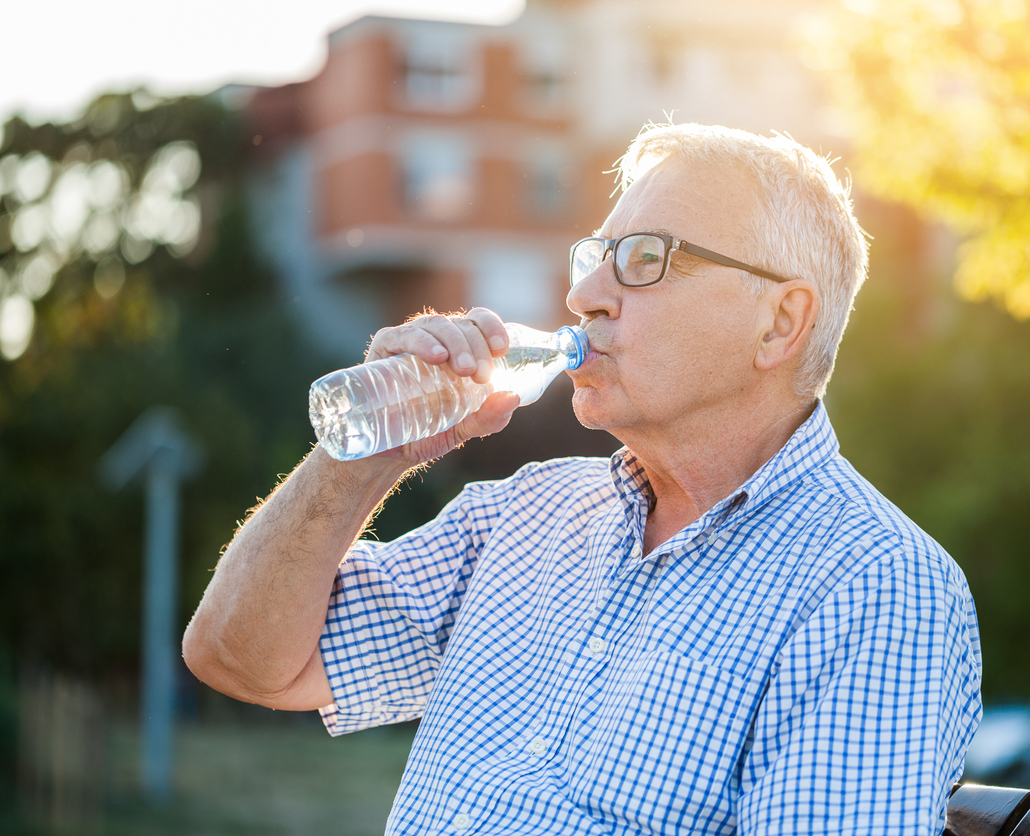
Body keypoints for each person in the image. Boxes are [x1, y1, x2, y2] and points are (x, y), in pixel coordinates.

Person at [183, 123, 982, 835]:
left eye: (643, 260)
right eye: (595, 258)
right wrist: (363, 458)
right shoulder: (526, 514)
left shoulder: (875, 586)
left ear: (779, 323)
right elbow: (239, 658)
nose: (581, 296)